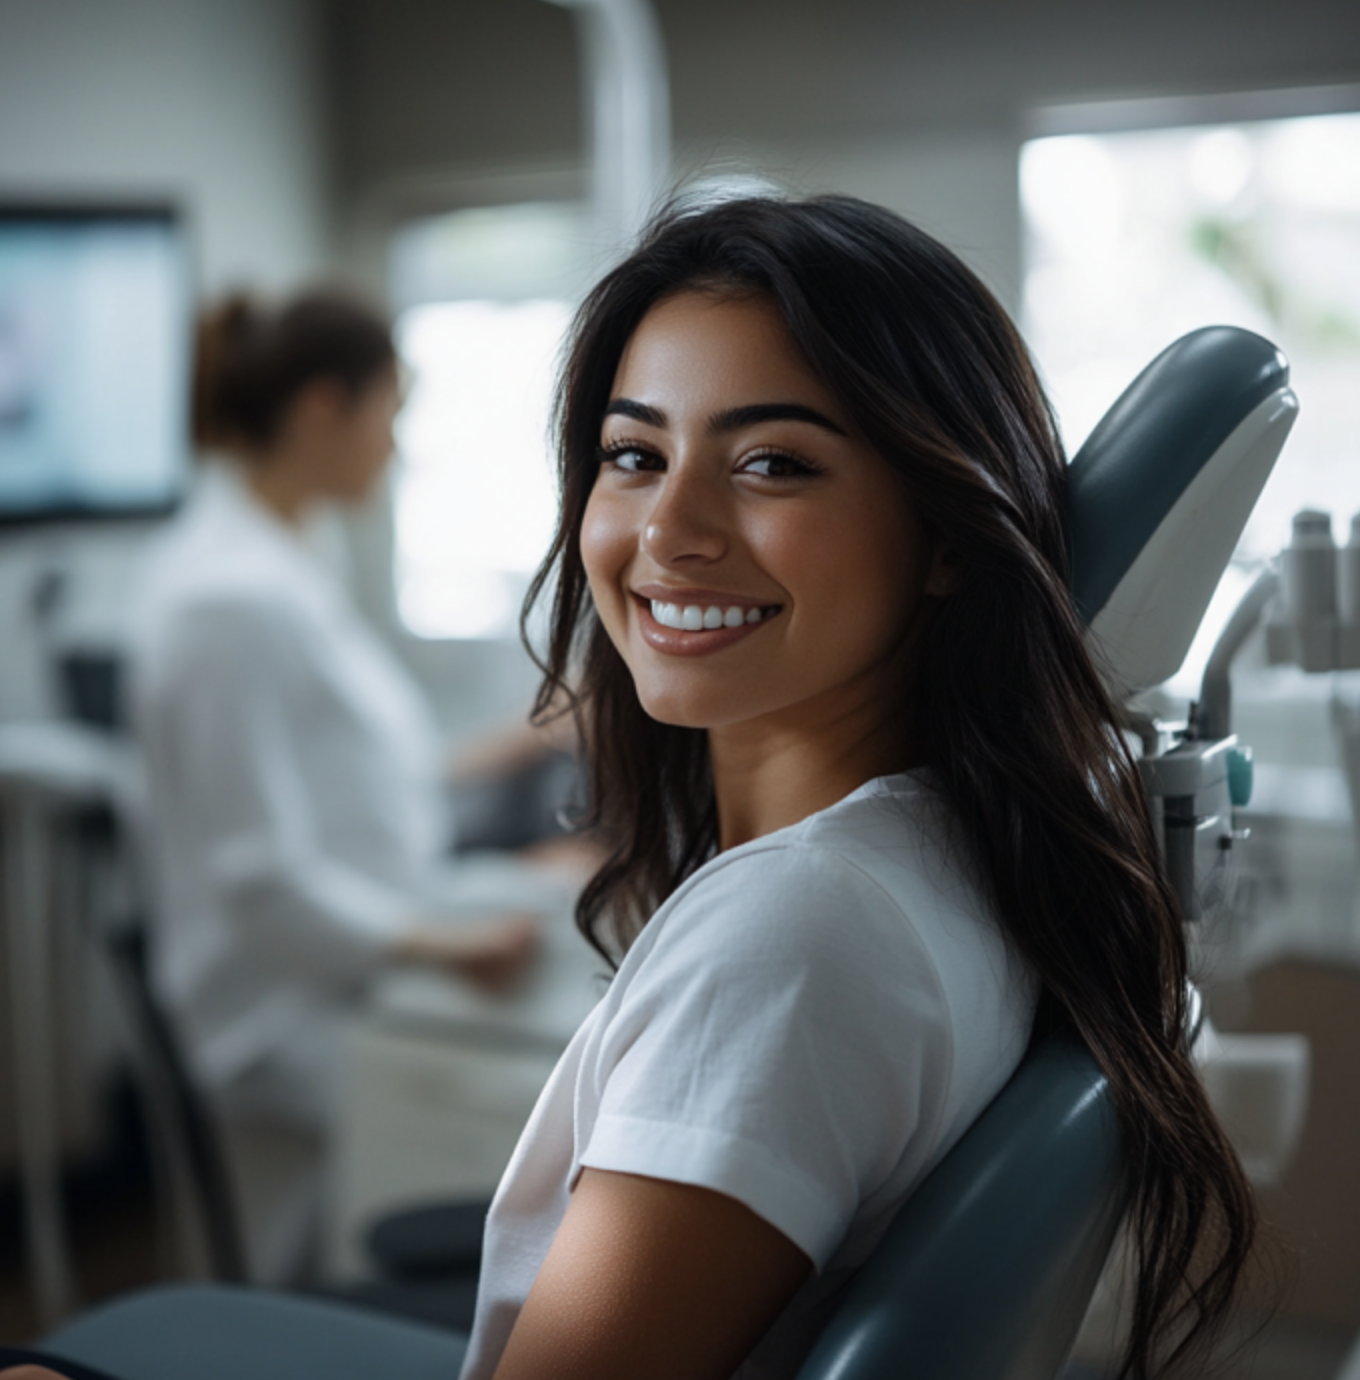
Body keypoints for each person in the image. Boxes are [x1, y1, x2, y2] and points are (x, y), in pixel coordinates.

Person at [0, 196, 1256, 1379]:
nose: (667, 531)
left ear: (943, 535)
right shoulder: (945, 857)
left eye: (771, 463)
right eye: (631, 453)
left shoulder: (797, 931)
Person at [126, 288, 544, 1282]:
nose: (393, 448)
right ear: (323, 407)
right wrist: (441, 939)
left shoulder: (283, 558)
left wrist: (524, 750)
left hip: (339, 965)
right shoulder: (225, 598)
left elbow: (360, 778)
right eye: (387, 416)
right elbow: (256, 870)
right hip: (284, 1012)